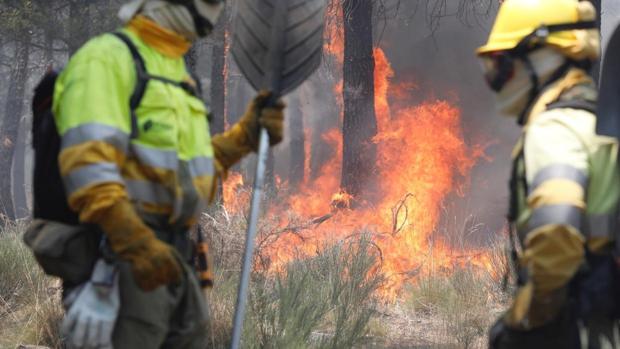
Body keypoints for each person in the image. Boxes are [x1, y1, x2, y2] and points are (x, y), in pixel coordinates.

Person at [52, 0, 285, 347]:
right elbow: (89, 170)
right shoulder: (106, 59)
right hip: (123, 264)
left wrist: (243, 138)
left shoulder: (177, 75)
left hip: (177, 263)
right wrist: (135, 243)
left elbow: (190, 174)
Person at [476, 0, 619, 347]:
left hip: (574, 330)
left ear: (542, 57)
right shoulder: (594, 123)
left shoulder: (555, 128)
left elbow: (556, 229)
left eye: (503, 67)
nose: (499, 82)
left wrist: (525, 322)